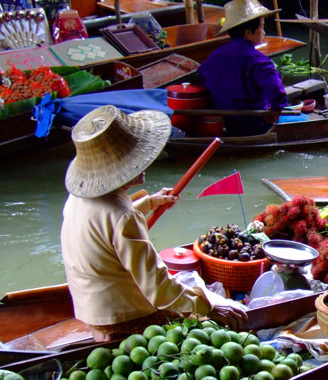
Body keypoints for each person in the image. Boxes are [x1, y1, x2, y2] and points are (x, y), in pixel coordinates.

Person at [60, 105, 247, 342]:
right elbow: (159, 290)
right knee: (197, 325)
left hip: (88, 306)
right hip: (121, 315)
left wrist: (149, 202)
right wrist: (209, 307)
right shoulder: (122, 216)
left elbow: (102, 226)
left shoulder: (79, 196)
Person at [198, 0, 289, 137]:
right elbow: (277, 92)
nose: (264, 32)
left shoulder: (214, 56)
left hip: (225, 123)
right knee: (302, 119)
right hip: (254, 124)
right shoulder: (259, 60)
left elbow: (203, 77)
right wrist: (275, 111)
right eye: (262, 27)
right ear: (248, 33)